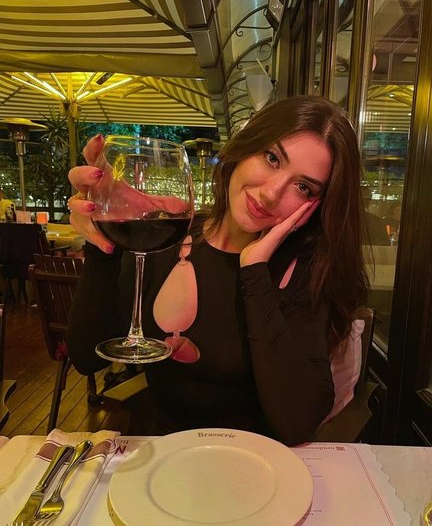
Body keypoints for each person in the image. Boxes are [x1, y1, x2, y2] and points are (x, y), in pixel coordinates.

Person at [66, 95, 368, 446]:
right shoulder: (170, 237)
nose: (271, 194)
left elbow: (297, 423)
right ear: (245, 147)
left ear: (316, 205)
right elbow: (86, 356)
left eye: (303, 187)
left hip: (255, 465)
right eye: (272, 158)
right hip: (160, 456)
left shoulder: (305, 271)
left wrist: (254, 270)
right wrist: (101, 240)